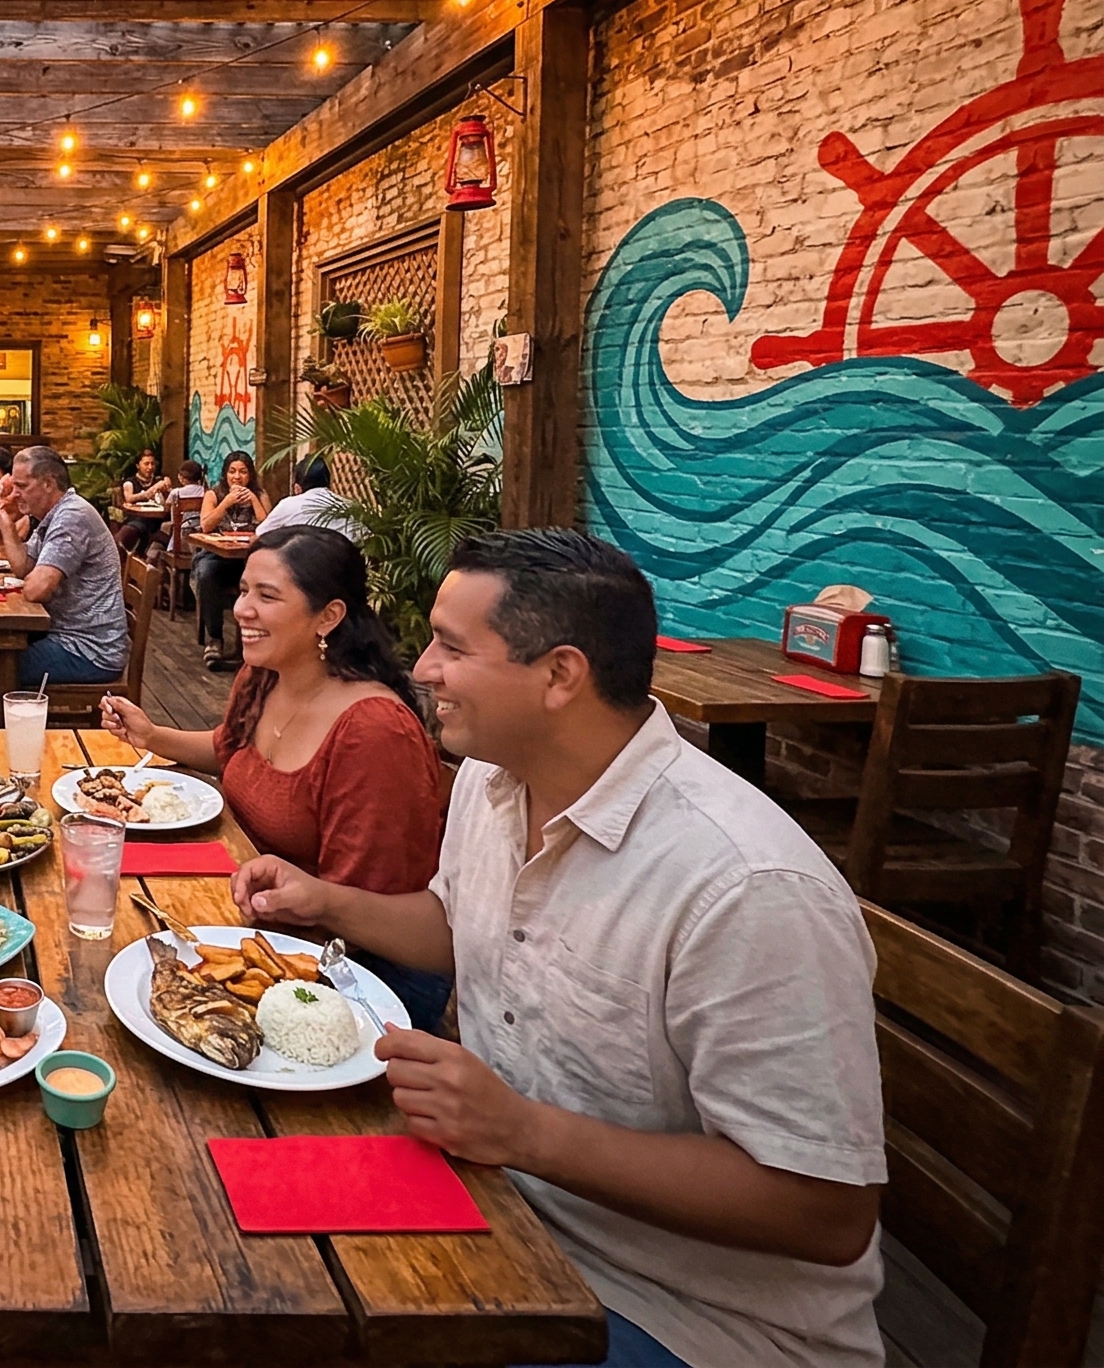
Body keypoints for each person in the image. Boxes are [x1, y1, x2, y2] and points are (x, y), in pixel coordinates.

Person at [232, 530, 884, 1368]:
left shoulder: (744, 885)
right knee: (233, 1236)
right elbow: (453, 927)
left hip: (681, 1318)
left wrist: (523, 1133)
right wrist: (326, 900)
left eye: (452, 647)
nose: (422, 668)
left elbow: (827, 1212)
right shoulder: (495, 777)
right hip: (503, 1210)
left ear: (560, 675)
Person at [101, 525, 449, 1031]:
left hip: (353, 978)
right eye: (243, 590)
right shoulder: (267, 673)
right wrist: (152, 735)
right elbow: (230, 749)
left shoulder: (373, 732)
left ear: (328, 616)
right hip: (251, 916)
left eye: (267, 596)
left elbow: (373, 912)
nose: (242, 609)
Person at [0, 444, 127, 685]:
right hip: (64, 636)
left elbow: (36, 590)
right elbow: (24, 567)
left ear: (48, 483)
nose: (14, 494)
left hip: (88, 650)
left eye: (22, 486)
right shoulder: (52, 516)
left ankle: (2, 722)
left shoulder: (72, 518)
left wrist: (29, 580)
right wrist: (5, 523)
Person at [192, 450, 266, 670]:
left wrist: (252, 499)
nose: (237, 477)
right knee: (206, 574)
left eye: (243, 472)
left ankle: (252, 641)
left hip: (248, 558)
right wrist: (226, 502)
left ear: (250, 475)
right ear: (225, 474)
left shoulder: (259, 494)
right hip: (216, 556)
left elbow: (267, 525)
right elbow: (206, 525)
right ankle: (215, 637)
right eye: (232, 472)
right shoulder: (214, 494)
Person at [255, 457, 358, 539]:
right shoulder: (349, 506)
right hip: (342, 563)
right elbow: (366, 538)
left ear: (297, 488)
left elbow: (261, 534)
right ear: (329, 483)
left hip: (297, 563)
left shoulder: (288, 505)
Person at [113, 447, 173, 553]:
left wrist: (167, 489)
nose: (150, 467)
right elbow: (129, 498)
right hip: (137, 521)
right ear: (138, 465)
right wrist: (150, 492)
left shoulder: (159, 481)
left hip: (158, 524)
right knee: (125, 535)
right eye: (146, 464)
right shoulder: (130, 482)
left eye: (152, 464)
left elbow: (170, 501)